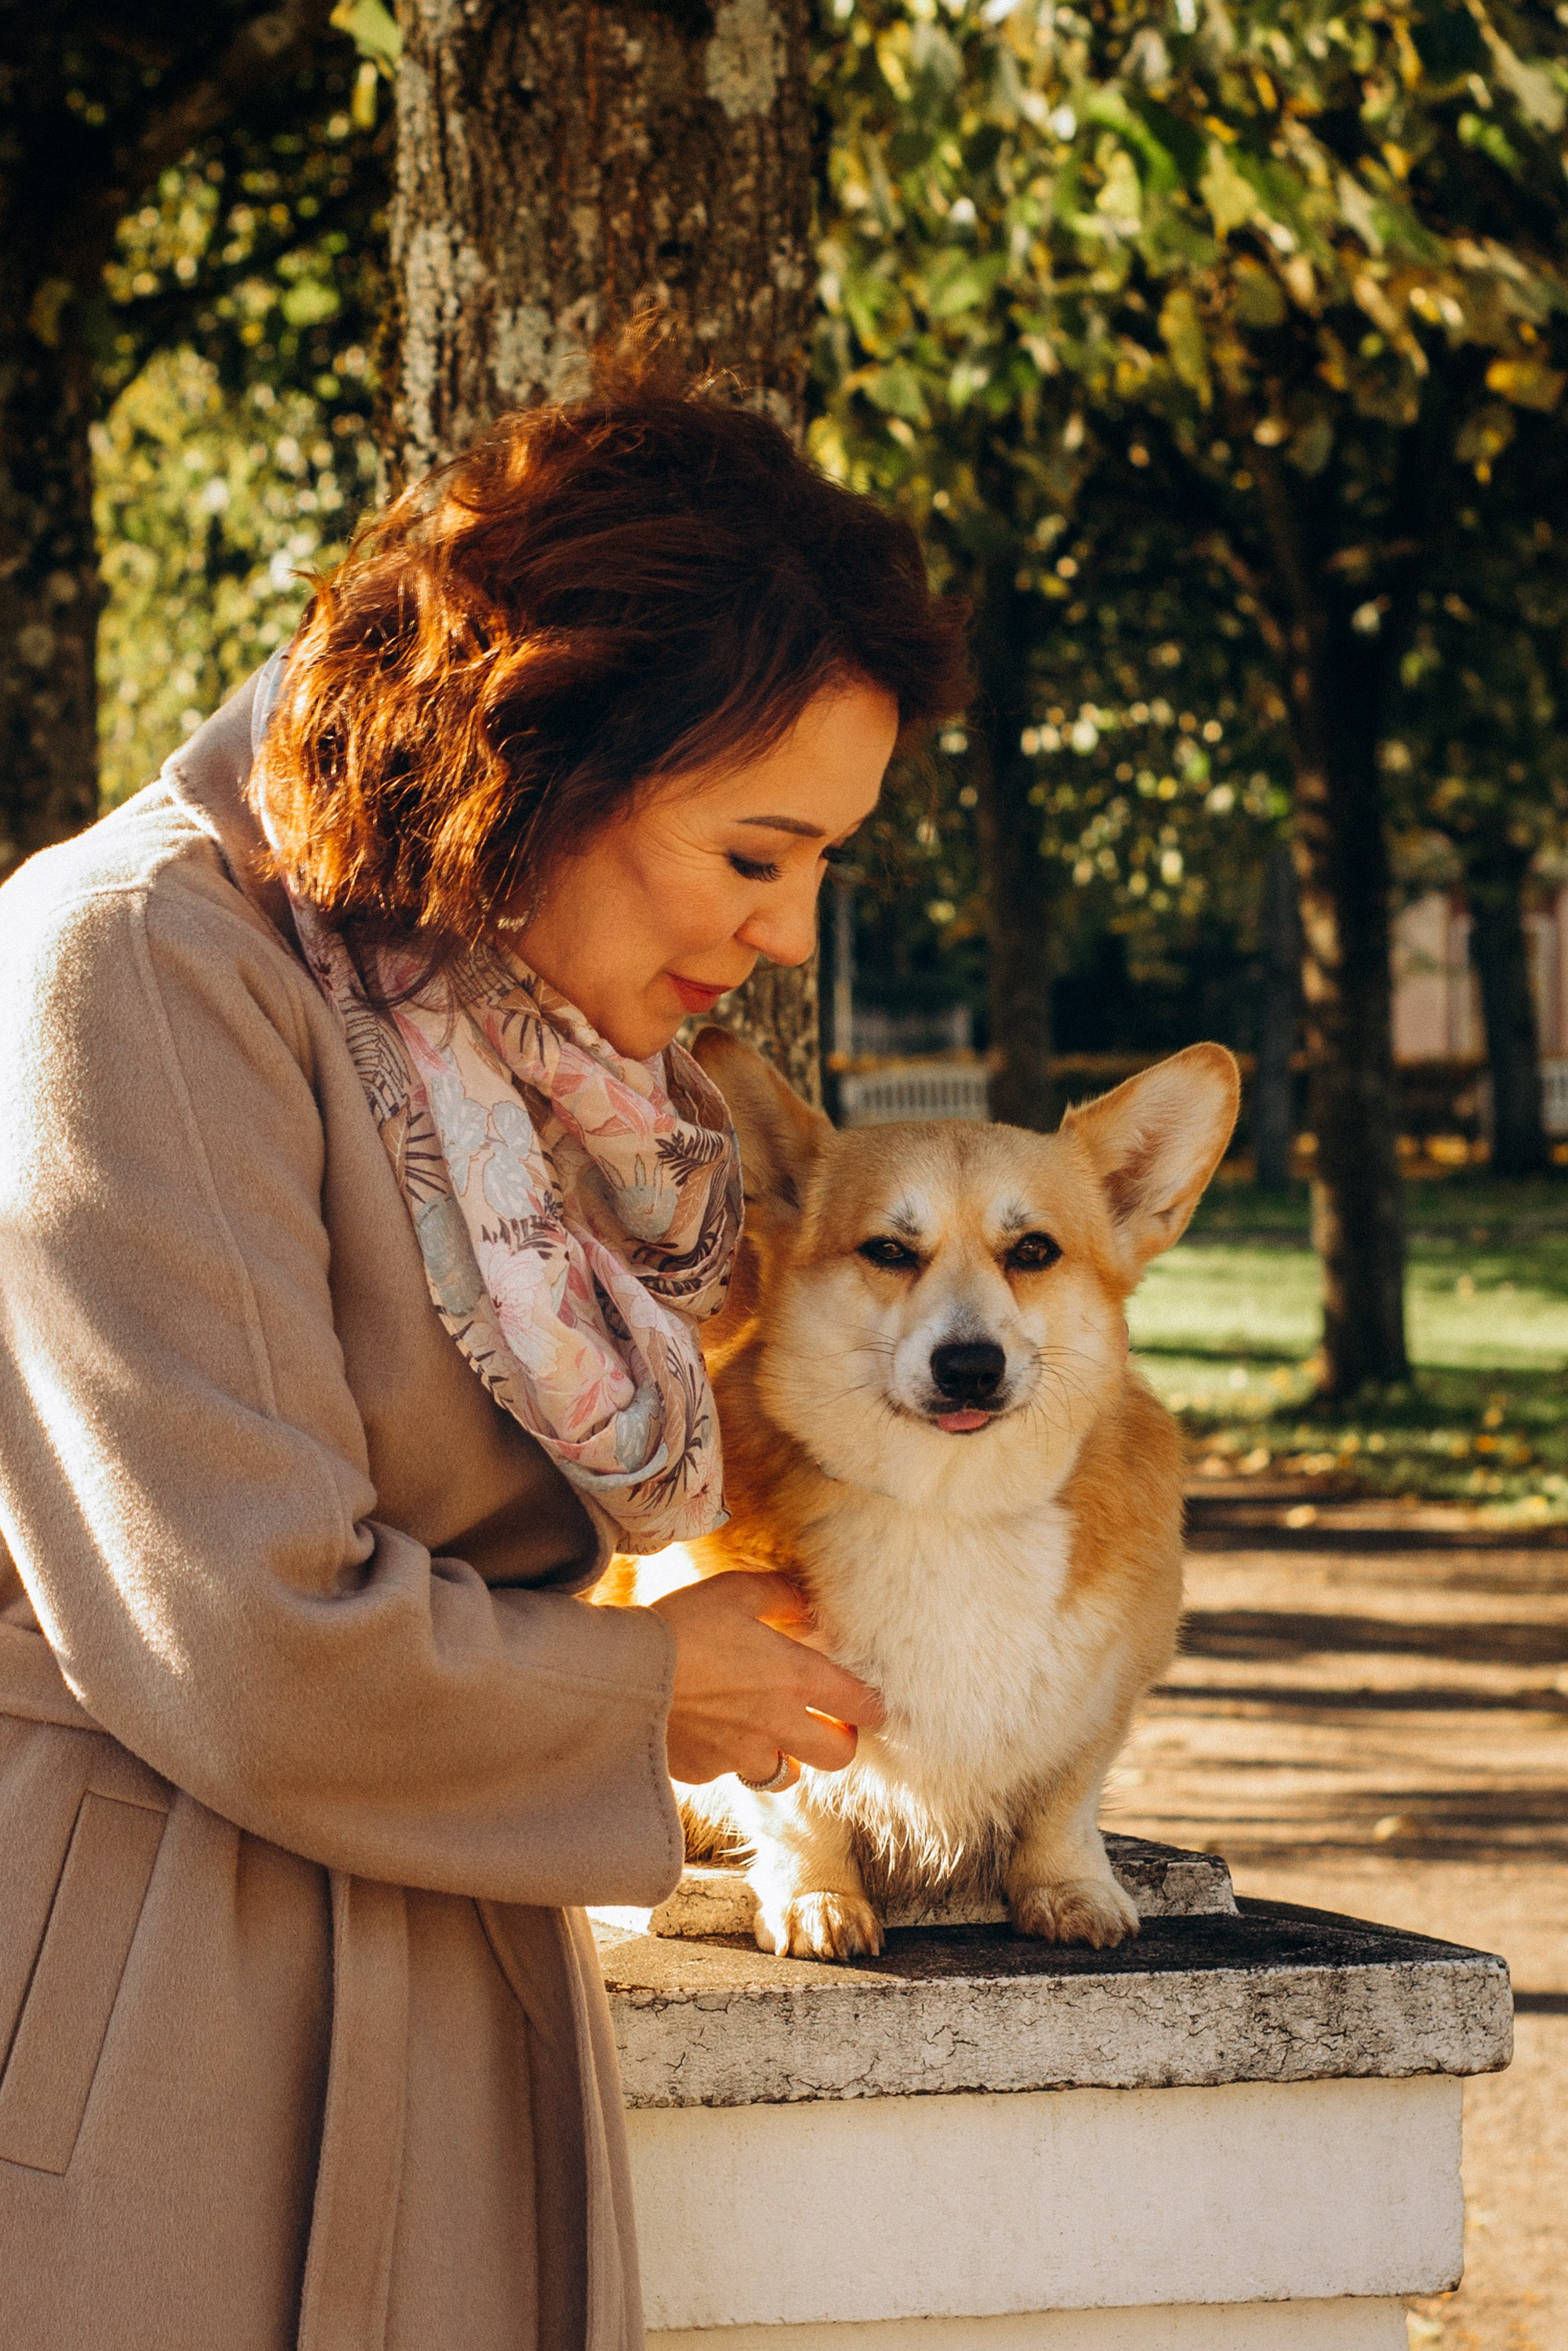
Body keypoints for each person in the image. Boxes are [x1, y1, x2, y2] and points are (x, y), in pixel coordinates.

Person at [0, 346, 968, 2351]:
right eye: (756, 852)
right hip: (154, 1984)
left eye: (823, 865)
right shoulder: (140, 963)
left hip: (443, 1947)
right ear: (549, 754)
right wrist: (648, 1691)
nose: (787, 935)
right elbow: (247, 1632)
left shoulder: (508, 1033)